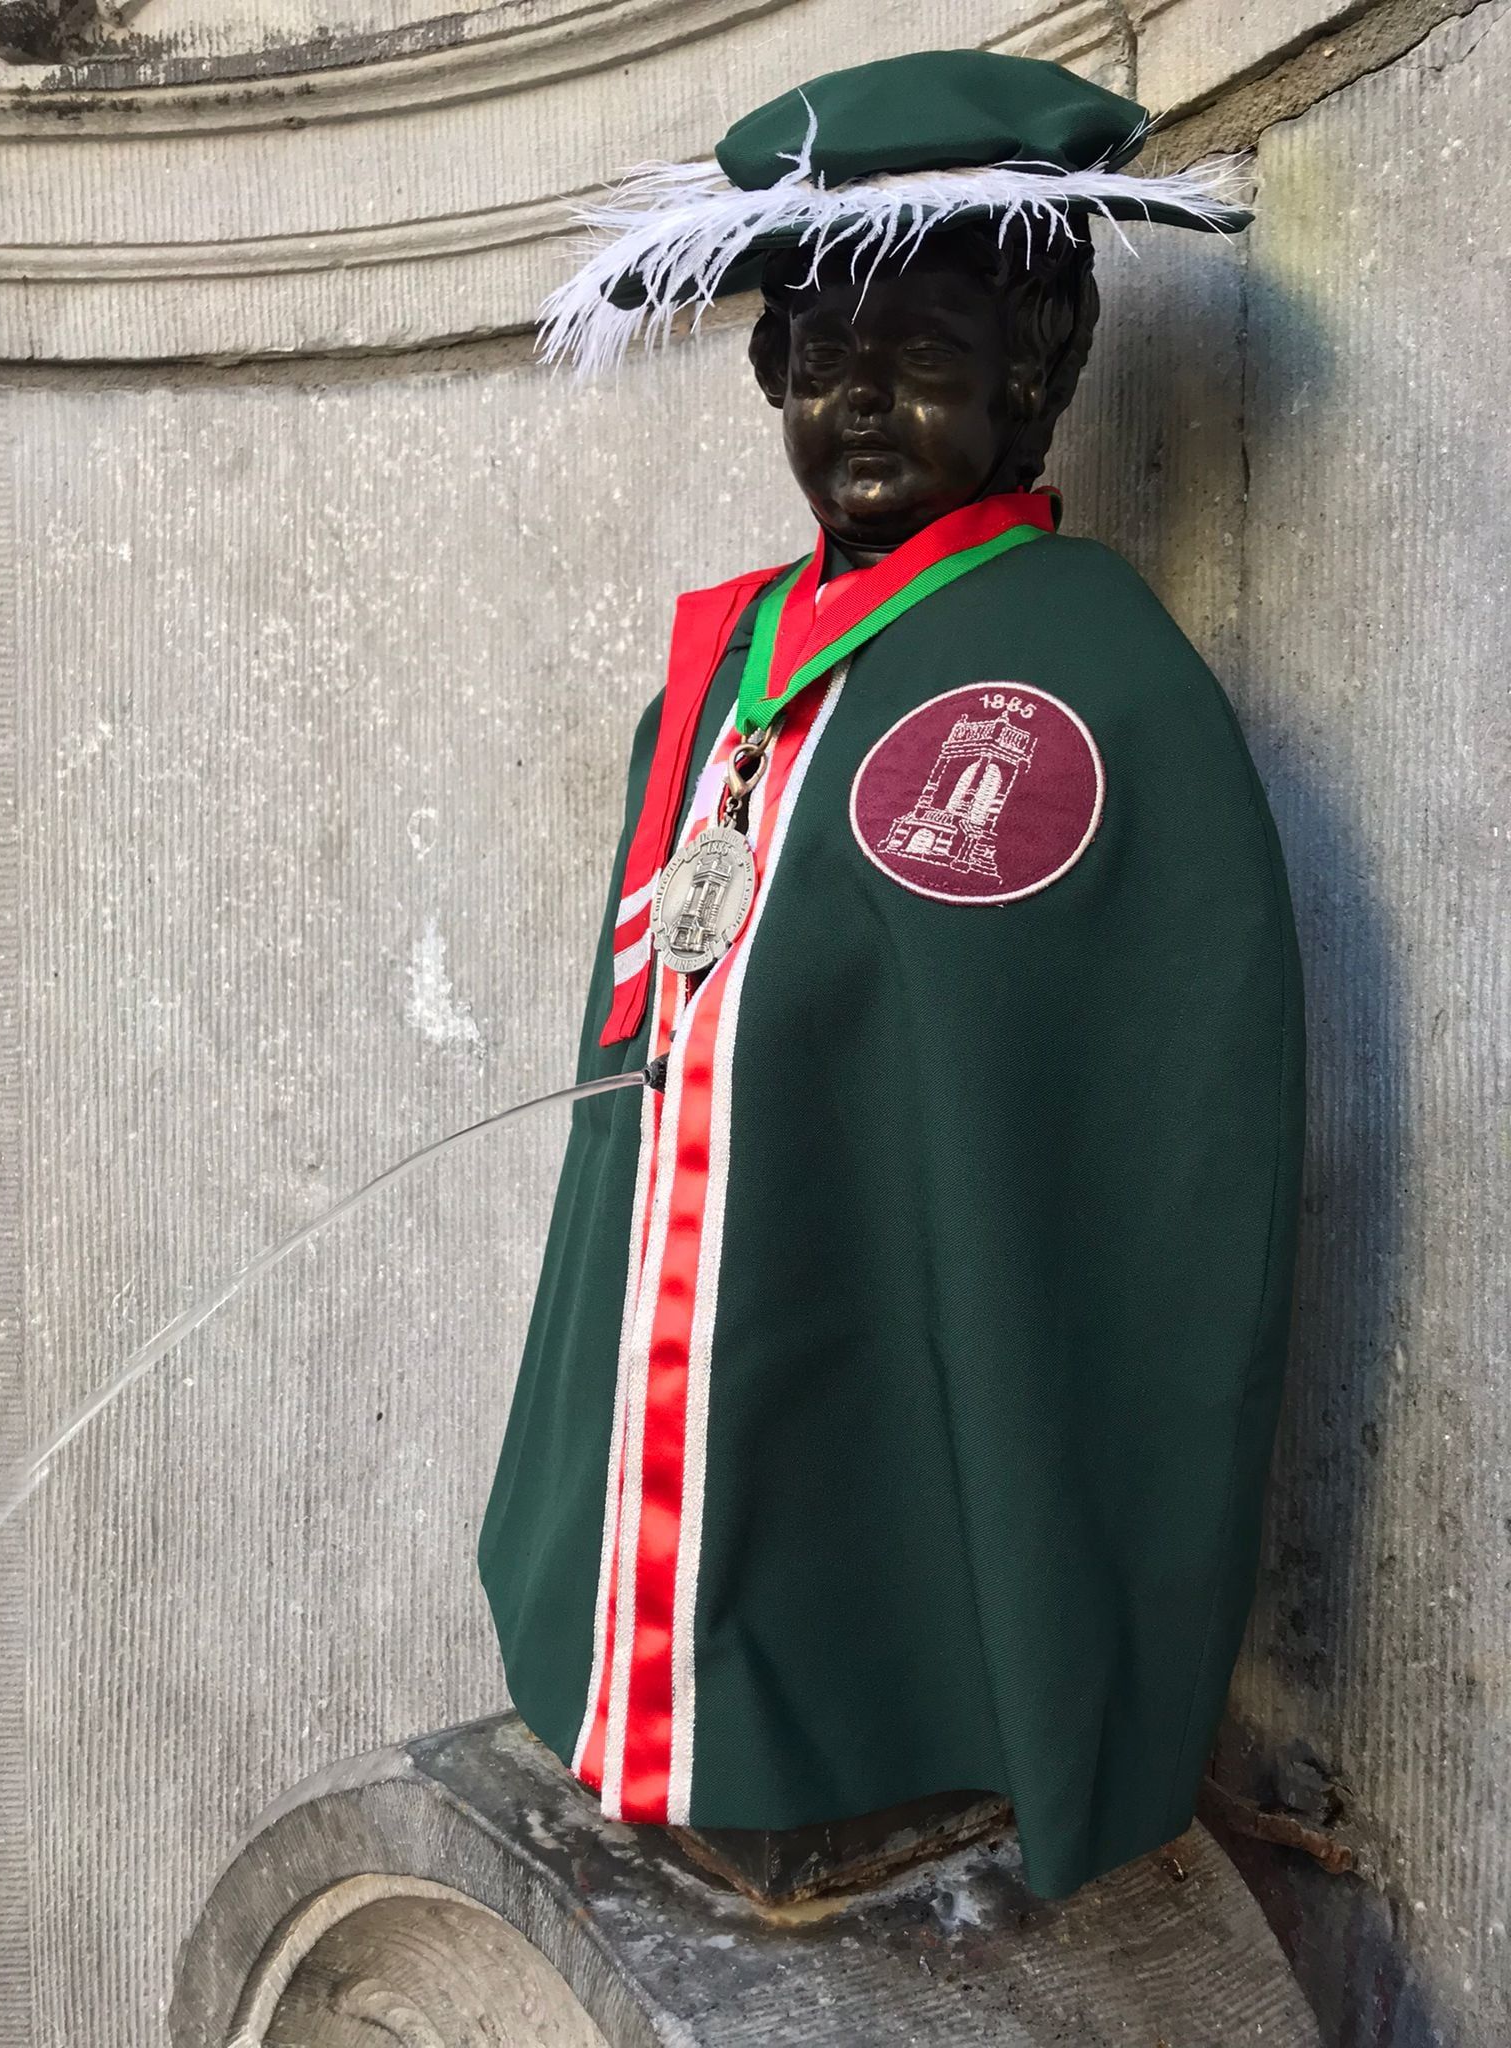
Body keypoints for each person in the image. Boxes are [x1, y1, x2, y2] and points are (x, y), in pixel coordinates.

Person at [479, 48, 1304, 1903]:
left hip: (899, 1305)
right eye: (824, 359)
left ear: (1034, 381)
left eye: (926, 358)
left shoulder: (1079, 670)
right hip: (710, 1247)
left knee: (872, 1510)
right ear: (774, 373)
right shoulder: (736, 653)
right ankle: (667, 1685)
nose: (862, 401)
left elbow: (1130, 1111)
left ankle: (889, 1729)